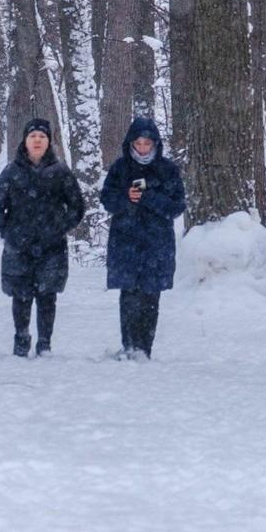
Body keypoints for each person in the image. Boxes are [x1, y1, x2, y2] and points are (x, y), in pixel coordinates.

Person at [0, 118, 86, 357]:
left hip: (52, 247)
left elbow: (77, 206)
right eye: (33, 136)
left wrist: (60, 227)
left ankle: (44, 344)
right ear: (25, 141)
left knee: (47, 296)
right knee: (20, 296)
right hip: (18, 247)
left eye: (42, 136)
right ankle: (21, 339)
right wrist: (8, 231)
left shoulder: (60, 172)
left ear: (49, 141)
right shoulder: (12, 172)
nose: (38, 140)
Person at [100, 116, 185, 360]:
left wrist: (149, 198)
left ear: (155, 144)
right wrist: (126, 198)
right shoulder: (120, 168)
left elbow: (177, 206)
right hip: (125, 242)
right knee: (128, 295)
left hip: (157, 245)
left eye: (148, 143)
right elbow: (107, 200)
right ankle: (128, 346)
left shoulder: (168, 170)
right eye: (139, 143)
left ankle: (144, 349)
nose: (143, 148)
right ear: (131, 143)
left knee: (150, 296)